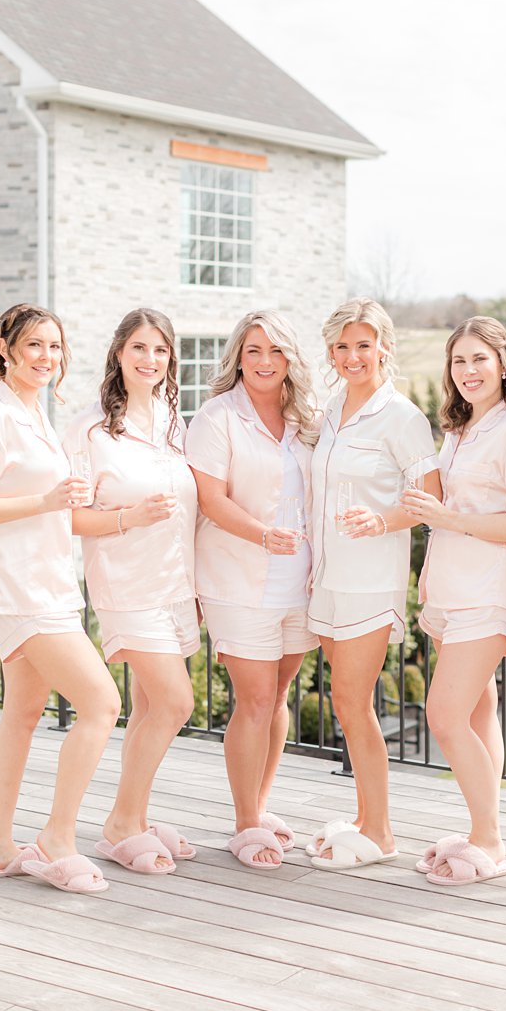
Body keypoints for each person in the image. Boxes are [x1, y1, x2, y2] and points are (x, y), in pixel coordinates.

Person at [0, 304, 120, 893]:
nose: (46, 357)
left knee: (22, 715)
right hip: (22, 593)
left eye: (55, 346)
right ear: (4, 347)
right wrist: (47, 502)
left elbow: (60, 511)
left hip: (47, 586)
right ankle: (58, 837)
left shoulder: (35, 416)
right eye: (34, 345)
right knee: (102, 704)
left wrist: (122, 517)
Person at [400, 317, 506, 886]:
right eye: (459, 361)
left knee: (444, 714)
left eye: (479, 359)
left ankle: (489, 840)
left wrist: (449, 519)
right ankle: (483, 827)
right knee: (479, 710)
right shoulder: (459, 431)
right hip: (449, 591)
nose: (468, 371)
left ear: (504, 363)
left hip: (489, 593)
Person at [306, 298, 441, 870]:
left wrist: (383, 519)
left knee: (351, 701)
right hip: (325, 578)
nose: (352, 356)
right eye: (341, 346)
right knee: (346, 702)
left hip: (370, 582)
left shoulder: (403, 418)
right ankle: (363, 819)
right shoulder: (330, 408)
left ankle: (381, 831)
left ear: (384, 347)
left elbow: (432, 502)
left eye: (363, 345)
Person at [65, 309, 199, 875]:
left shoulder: (174, 422)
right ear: (119, 353)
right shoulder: (88, 429)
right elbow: (69, 518)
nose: (150, 360)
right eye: (139, 348)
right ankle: (121, 822)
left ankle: (136, 816)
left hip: (176, 586)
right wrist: (130, 516)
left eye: (161, 350)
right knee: (176, 701)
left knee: (150, 706)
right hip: (126, 586)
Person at [185, 310, 320, 869]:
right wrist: (264, 535)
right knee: (256, 698)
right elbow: (211, 500)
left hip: (301, 583)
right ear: (238, 357)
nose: (265, 362)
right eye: (253, 351)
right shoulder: (217, 417)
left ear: (291, 359)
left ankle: (260, 807)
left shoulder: (307, 420)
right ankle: (245, 825)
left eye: (276, 351)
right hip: (237, 580)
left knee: (278, 696)